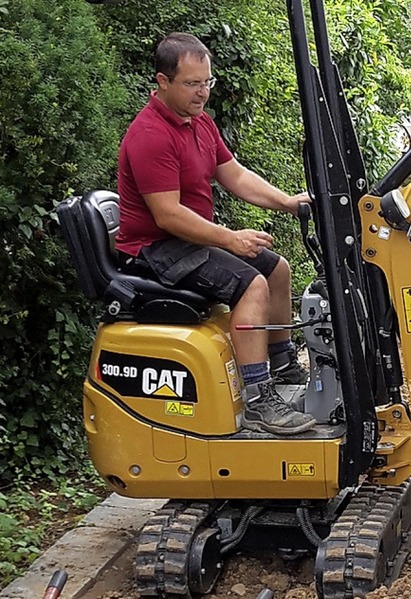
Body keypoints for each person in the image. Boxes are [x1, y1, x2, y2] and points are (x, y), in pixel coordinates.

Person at [115, 32, 316, 435]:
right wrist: (229, 238)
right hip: (157, 249)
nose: (202, 92)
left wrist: (289, 202)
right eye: (191, 83)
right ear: (162, 81)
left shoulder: (199, 123)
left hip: (186, 241)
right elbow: (168, 215)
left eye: (207, 82)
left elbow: (235, 175)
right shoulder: (151, 135)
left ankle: (282, 366)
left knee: (277, 270)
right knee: (253, 286)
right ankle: (260, 400)